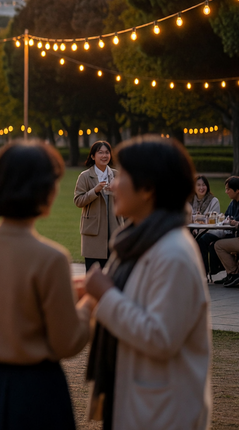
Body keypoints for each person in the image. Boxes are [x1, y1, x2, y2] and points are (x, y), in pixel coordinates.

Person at [0, 140, 89, 429]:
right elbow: (67, 342)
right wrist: (90, 301)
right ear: (45, 190)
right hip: (36, 391)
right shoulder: (51, 258)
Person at [81, 136, 211, 429]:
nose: (113, 184)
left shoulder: (173, 252)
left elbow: (161, 337)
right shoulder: (137, 243)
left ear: (149, 188)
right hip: (135, 401)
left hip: (162, 413)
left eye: (122, 175)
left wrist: (107, 295)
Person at [74, 141, 124, 270]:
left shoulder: (116, 175)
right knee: (93, 275)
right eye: (100, 152)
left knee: (113, 276)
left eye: (107, 152)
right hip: (93, 232)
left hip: (114, 228)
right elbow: (78, 201)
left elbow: (125, 200)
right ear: (92, 156)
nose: (104, 155)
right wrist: (95, 191)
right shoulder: (85, 176)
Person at [198, 177, 239, 279]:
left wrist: (229, 220)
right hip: (229, 232)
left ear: (237, 191)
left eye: (228, 189)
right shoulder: (234, 202)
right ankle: (207, 272)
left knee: (213, 244)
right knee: (204, 239)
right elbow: (226, 216)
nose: (226, 192)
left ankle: (231, 273)